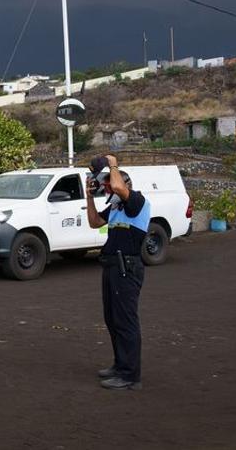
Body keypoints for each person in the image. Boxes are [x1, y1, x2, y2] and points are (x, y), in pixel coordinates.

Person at [85, 154, 148, 390]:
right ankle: (120, 365)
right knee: (112, 320)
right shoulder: (115, 206)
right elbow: (93, 222)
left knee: (125, 321)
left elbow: (119, 185)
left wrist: (113, 164)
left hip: (127, 267)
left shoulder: (137, 201)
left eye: (111, 184)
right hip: (112, 266)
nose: (109, 188)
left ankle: (130, 376)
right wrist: (89, 197)